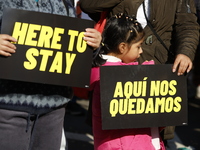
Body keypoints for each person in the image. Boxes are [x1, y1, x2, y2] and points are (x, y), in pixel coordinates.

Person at [79, 0, 199, 143]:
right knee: (116, 134)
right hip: (117, 68)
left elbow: (187, 25)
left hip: (158, 70)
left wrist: (185, 52)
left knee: (154, 134)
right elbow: (88, 5)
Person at [0, 0, 101, 150]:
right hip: (8, 107)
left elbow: (73, 49)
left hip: (54, 109)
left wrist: (93, 45)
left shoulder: (65, 3)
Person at [88, 13, 165, 150]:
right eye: (138, 46)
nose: (141, 51)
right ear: (122, 47)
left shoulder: (101, 70)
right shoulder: (112, 76)